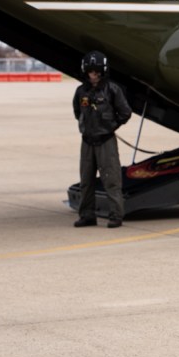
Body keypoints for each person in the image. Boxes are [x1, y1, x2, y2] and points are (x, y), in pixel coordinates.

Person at [72, 50, 131, 228]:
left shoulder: (112, 89)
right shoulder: (80, 91)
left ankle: (116, 215)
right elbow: (77, 112)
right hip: (87, 141)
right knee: (86, 181)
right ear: (86, 72)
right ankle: (87, 215)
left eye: (97, 72)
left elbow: (125, 112)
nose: (94, 75)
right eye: (91, 72)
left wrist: (111, 126)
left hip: (106, 141)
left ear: (103, 72)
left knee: (111, 179)